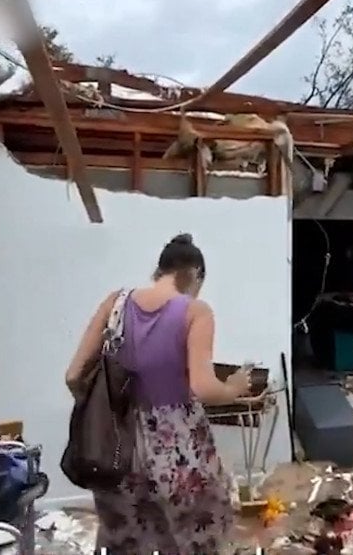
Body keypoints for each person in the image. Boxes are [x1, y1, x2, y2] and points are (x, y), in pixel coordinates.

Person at [64, 233, 252, 555]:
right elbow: (203, 387)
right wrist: (234, 388)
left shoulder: (116, 303)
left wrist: (107, 403)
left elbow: (73, 376)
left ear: (159, 270)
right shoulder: (196, 312)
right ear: (195, 274)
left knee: (127, 540)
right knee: (194, 537)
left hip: (115, 449)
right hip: (177, 449)